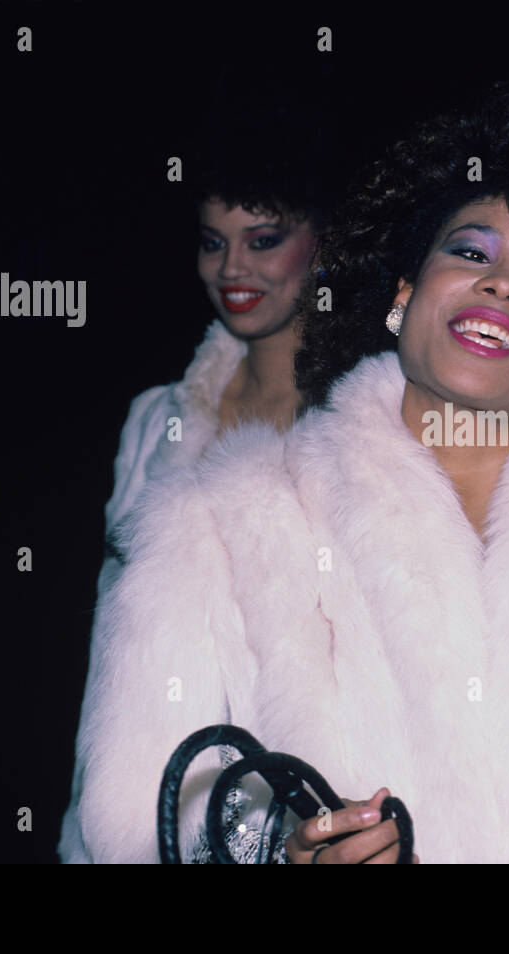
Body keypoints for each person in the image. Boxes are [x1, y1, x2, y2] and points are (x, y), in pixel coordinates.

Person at [60, 82, 509, 864]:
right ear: (402, 294)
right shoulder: (216, 526)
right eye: (470, 253)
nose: (503, 285)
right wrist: (290, 849)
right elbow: (140, 830)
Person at [57, 110, 338, 862]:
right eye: (213, 242)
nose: (231, 270)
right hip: (130, 827)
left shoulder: (355, 433)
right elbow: (109, 653)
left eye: (263, 240)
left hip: (292, 821)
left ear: (320, 244)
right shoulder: (154, 422)